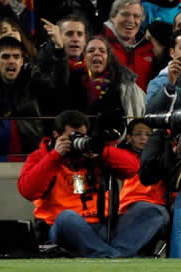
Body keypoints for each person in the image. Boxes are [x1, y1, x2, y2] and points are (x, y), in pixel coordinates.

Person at [17, 110, 141, 258]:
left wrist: (102, 152)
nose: (78, 141)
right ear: (56, 135)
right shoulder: (41, 156)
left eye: (82, 136)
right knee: (67, 217)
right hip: (63, 227)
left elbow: (134, 169)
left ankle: (111, 253)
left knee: (152, 211)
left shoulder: (93, 154)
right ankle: (112, 256)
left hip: (103, 225)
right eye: (73, 137)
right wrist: (54, 157)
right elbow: (27, 191)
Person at [0, 36, 67, 160]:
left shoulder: (31, 76)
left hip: (29, 158)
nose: (11, 61)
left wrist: (60, 51)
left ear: (22, 61)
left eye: (16, 56)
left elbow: (58, 85)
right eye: (5, 56)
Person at [117, 118, 170, 257]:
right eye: (138, 134)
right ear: (128, 137)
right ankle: (119, 255)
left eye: (148, 135)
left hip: (158, 207)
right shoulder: (121, 157)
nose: (144, 138)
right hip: (131, 206)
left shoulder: (162, 155)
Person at [102, 0, 155, 92]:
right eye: (125, 14)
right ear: (113, 17)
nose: (131, 20)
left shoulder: (149, 47)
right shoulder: (100, 46)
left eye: (136, 16)